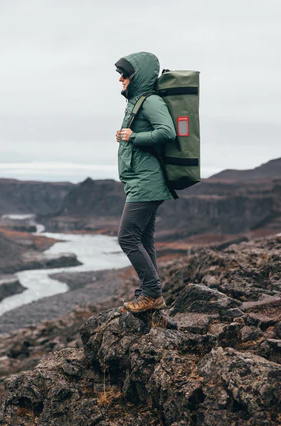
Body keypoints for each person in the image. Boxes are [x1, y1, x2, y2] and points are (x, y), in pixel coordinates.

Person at [115, 51, 176, 313]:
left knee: (127, 237)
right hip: (139, 180)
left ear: (137, 76)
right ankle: (147, 292)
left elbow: (167, 131)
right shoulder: (136, 102)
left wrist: (134, 137)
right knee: (144, 239)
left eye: (124, 74)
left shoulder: (150, 101)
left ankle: (151, 293)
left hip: (147, 182)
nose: (120, 79)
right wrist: (129, 135)